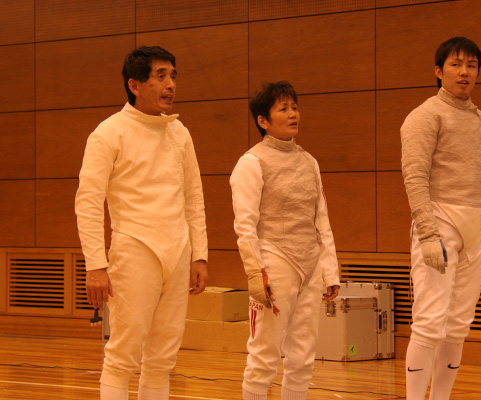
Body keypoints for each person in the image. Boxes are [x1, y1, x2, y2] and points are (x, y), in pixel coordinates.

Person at [75, 46, 209, 400]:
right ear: (134, 85)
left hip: (178, 251)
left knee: (163, 357)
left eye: (173, 76)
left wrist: (199, 255)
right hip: (135, 249)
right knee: (123, 355)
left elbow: (193, 197)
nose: (170, 84)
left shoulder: (179, 132)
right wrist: (95, 265)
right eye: (160, 76)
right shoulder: (109, 133)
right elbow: (88, 202)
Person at [400, 37, 481, 400]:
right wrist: (428, 235)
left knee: (458, 325)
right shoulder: (424, 116)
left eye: (471, 65)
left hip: (476, 229)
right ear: (439, 71)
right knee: (430, 321)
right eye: (456, 64)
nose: (464, 72)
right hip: (440, 222)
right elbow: (414, 177)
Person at [230, 81, 340, 400]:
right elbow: (245, 225)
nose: (293, 114)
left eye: (294, 107)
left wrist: (330, 271)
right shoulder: (251, 163)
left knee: (303, 355)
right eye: (283, 109)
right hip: (274, 261)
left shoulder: (309, 161)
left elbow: (321, 220)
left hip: (310, 265)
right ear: (263, 120)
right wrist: (255, 272)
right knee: (265, 354)